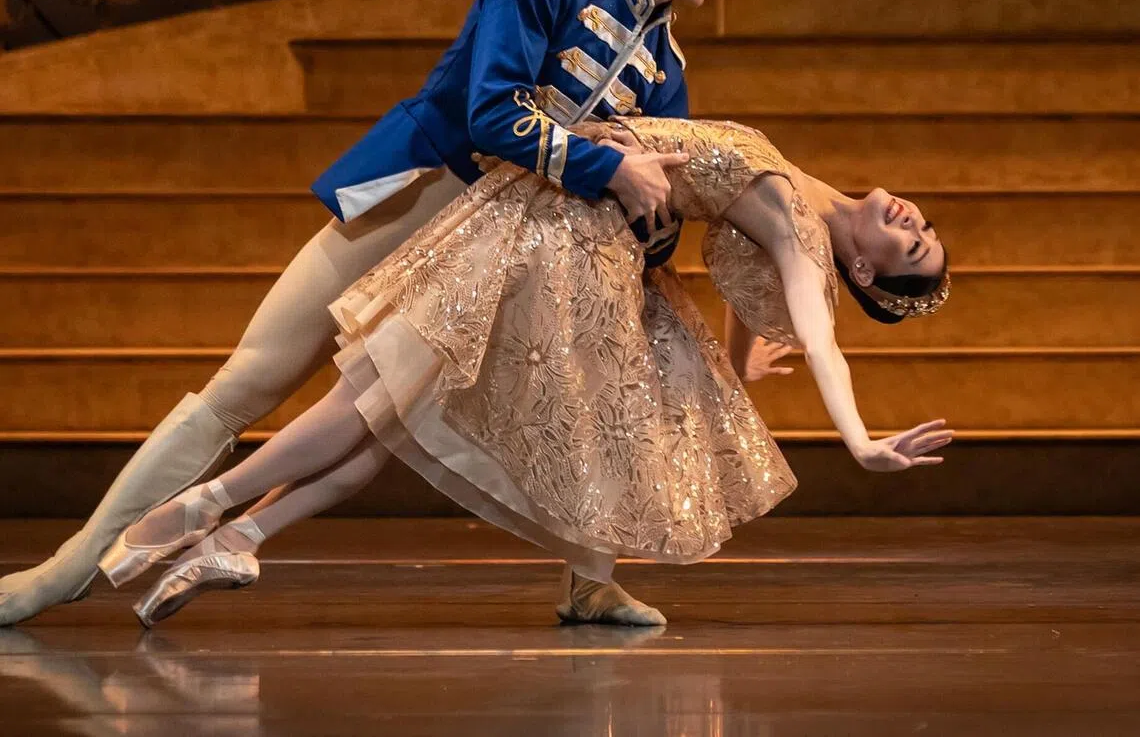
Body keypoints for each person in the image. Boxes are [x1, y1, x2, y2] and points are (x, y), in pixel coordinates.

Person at [0, 0, 771, 627]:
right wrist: (611, 168)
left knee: (383, 425)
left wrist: (657, 217)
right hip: (427, 187)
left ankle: (581, 578)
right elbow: (491, 114)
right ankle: (68, 568)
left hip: (498, 256)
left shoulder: (665, 65)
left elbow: (648, 216)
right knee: (251, 382)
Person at [112, 115, 952, 629]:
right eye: (926, 227)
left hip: (564, 233)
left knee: (388, 395)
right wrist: (733, 366)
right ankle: (230, 534)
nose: (914, 221)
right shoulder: (800, 202)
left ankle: (203, 519)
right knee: (391, 400)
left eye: (911, 246)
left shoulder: (803, 237)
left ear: (869, 274)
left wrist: (859, 441)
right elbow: (741, 274)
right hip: (562, 214)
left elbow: (819, 331)